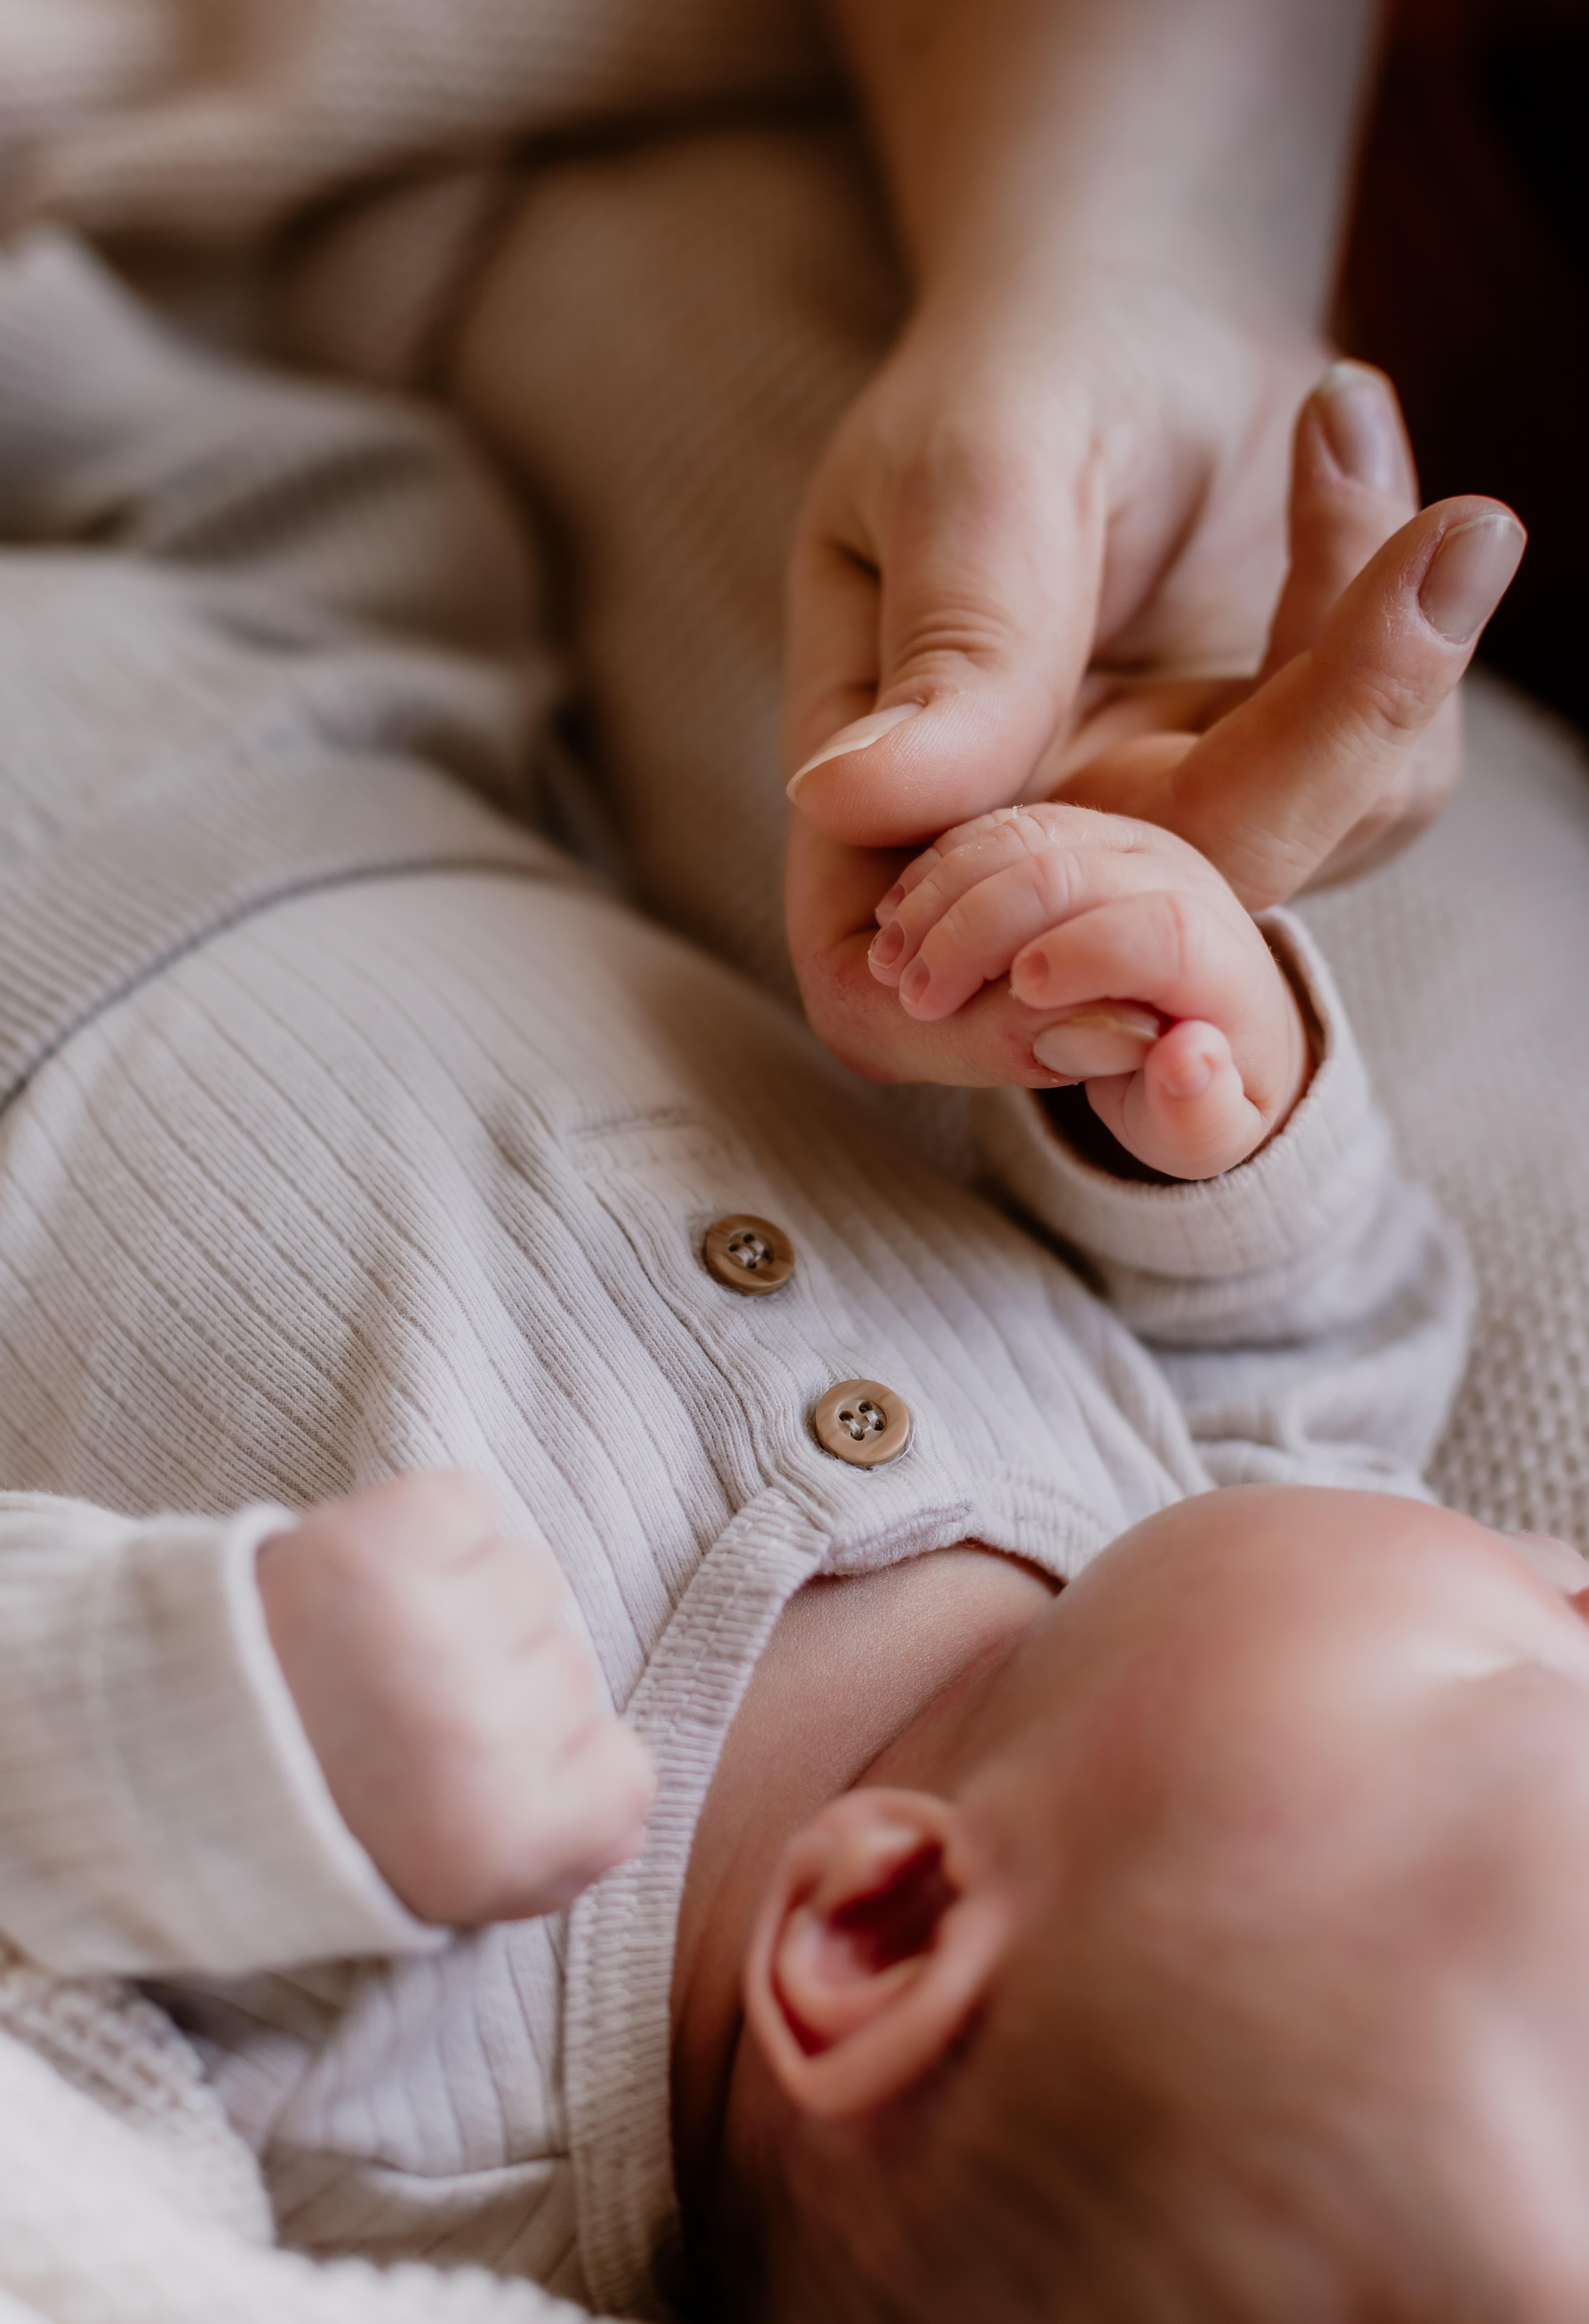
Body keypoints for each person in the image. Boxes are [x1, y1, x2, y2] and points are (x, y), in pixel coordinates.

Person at [0, 227, 1528, 2324]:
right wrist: (1197, 1095)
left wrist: (220, 1721)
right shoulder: (1212, 1505)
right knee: (365, 500)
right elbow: (1321, 1315)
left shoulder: (413, 2121)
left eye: (1511, 1702)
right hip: (328, 720)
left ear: (885, 1931)